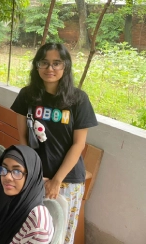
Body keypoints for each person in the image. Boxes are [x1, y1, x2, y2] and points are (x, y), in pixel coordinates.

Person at [10, 43, 98, 243]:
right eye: (45, 63)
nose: (50, 69)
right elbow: (23, 137)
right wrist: (29, 171)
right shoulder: (27, 95)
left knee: (60, 235)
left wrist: (57, 180)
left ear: (65, 66)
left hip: (67, 179)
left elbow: (78, 145)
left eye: (56, 63)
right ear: (37, 66)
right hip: (35, 175)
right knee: (32, 231)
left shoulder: (78, 99)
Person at [0, 145, 54, 244]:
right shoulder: (3, 196)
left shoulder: (38, 225)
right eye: (4, 169)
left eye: (17, 171)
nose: (7, 177)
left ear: (31, 176)